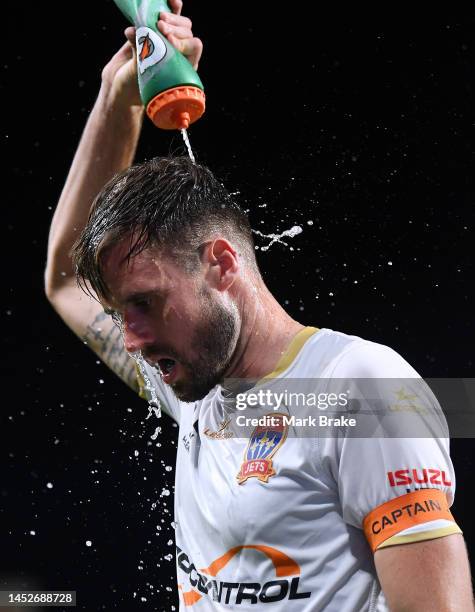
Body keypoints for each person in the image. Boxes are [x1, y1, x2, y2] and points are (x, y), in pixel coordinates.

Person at [45, 3, 474, 610]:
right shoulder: (193, 376)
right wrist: (121, 99)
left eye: (144, 303)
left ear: (221, 264)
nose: (132, 338)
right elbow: (65, 280)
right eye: (121, 311)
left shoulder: (360, 389)